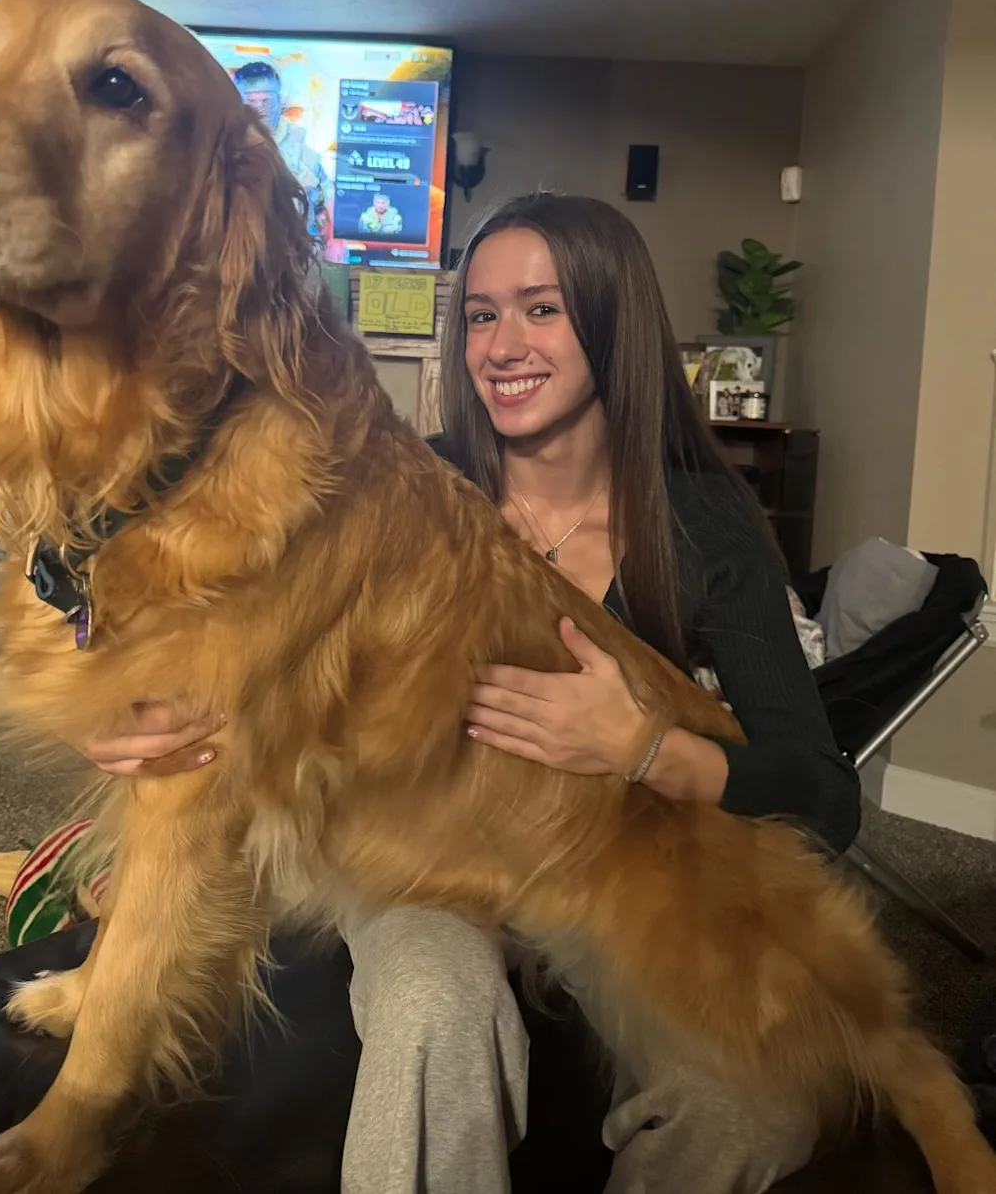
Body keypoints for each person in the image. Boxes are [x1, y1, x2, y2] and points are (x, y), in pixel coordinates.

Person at [75, 193, 861, 1194]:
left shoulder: (702, 521)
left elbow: (825, 798)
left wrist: (647, 746)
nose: (501, 343)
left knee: (760, 1101)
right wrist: (136, 705)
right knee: (431, 1001)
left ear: (612, 322)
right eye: (480, 314)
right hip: (416, 856)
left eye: (540, 308)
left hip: (603, 864)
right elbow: (241, 645)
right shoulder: (402, 487)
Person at [231, 60, 335, 245]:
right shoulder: (223, 151)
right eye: (251, 101)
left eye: (266, 100)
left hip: (293, 254)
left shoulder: (305, 154)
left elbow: (324, 210)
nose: (260, 108)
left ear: (279, 101)